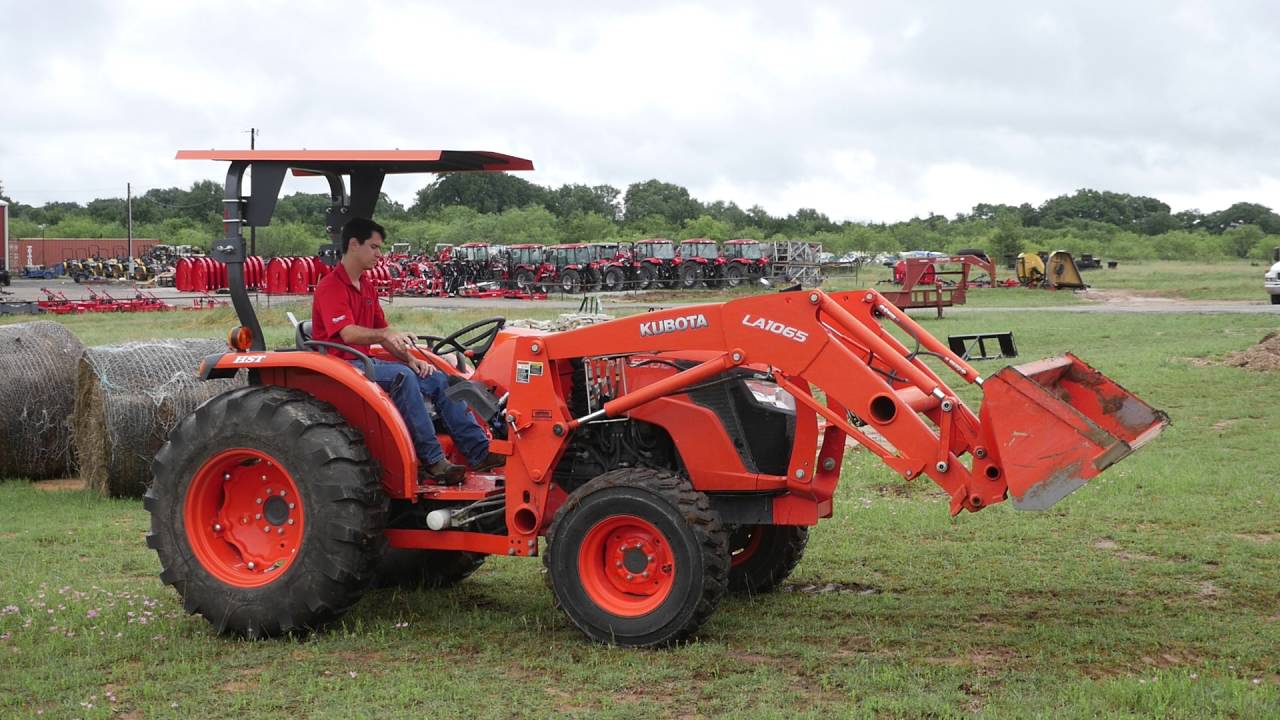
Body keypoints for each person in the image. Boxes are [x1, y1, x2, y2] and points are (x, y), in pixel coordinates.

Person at [311, 217, 503, 484]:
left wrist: (412, 358)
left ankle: (479, 451)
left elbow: (384, 332)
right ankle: (433, 460)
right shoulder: (330, 287)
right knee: (403, 377)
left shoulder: (365, 286)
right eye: (374, 247)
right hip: (343, 364)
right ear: (354, 245)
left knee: (437, 378)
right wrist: (388, 338)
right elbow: (348, 333)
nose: (380, 254)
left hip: (365, 362)